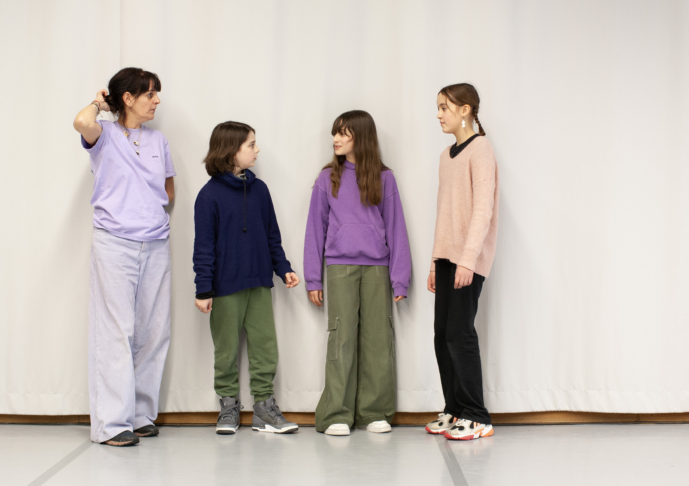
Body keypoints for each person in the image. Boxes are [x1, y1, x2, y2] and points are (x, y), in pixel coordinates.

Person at [72, 67, 175, 447]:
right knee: (116, 332)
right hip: (114, 244)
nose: (157, 101)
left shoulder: (158, 140)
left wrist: (148, 212)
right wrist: (101, 103)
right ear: (128, 98)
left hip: (156, 243)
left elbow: (168, 188)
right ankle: (113, 425)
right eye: (149, 94)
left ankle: (140, 414)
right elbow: (81, 121)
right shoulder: (104, 135)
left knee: (153, 332)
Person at [304, 110, 412, 436]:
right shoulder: (327, 179)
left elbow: (397, 229)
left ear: (360, 137)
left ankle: (374, 411)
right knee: (342, 339)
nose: (336, 139)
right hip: (339, 268)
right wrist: (312, 278)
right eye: (335, 133)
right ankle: (336, 414)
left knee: (379, 340)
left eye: (344, 133)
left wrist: (400, 277)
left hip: (377, 268)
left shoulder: (384, 178)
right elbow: (314, 230)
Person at [193, 121, 300, 435]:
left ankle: (265, 408)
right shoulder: (208, 196)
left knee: (266, 346)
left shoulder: (260, 190)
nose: (257, 150)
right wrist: (203, 288)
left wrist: (284, 268)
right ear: (231, 150)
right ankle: (228, 406)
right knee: (225, 348)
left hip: (259, 283)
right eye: (251, 144)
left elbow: (272, 236)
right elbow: (203, 247)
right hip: (225, 287)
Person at [425, 83, 499, 441]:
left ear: (466, 109)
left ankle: (477, 415)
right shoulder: (445, 156)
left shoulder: (481, 149)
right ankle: (455, 410)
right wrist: (434, 261)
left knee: (460, 334)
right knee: (442, 335)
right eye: (438, 108)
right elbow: (444, 213)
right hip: (447, 258)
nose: (439, 114)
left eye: (444, 107)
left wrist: (468, 260)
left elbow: (483, 209)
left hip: (469, 259)